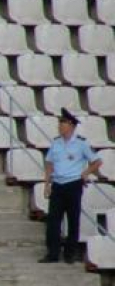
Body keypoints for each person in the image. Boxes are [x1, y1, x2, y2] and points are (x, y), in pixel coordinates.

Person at [40, 108, 102, 264]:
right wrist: (47, 184)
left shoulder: (81, 143)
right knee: (53, 220)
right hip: (58, 184)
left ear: (72, 126)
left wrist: (86, 172)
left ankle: (70, 254)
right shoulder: (56, 143)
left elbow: (97, 161)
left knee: (73, 220)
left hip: (73, 184)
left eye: (63, 123)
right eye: (60, 123)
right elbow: (49, 164)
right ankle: (53, 253)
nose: (60, 126)